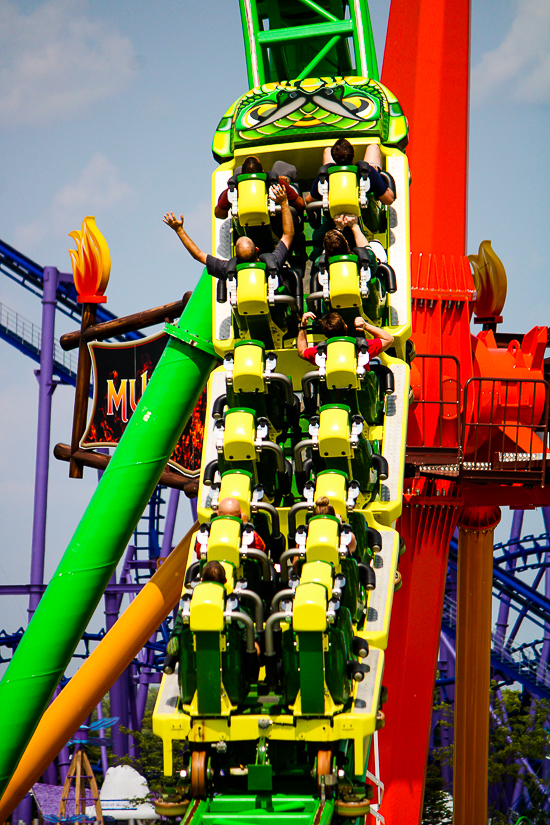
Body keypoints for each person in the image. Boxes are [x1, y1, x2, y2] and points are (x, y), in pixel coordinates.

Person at [163, 181, 294, 279]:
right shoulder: (273, 262)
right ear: (257, 250)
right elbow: (288, 234)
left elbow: (198, 255)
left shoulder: (228, 270)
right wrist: (284, 203)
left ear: (235, 256)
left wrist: (179, 230)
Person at [163, 560, 227, 673]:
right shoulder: (229, 604)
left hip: (194, 658)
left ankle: (170, 662)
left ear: (201, 580)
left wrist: (175, 638)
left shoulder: (190, 606)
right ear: (225, 581)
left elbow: (178, 628)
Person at [305, 138, 394, 207]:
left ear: (334, 158)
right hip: (366, 218)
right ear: (353, 154)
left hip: (335, 217)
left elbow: (309, 200)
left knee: (327, 150)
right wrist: (376, 173)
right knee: (373, 148)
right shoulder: (369, 172)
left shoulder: (325, 176)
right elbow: (389, 200)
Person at [214, 155, 305, 220]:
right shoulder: (277, 183)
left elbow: (218, 214)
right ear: (262, 172)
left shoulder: (233, 189)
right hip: (279, 226)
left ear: (241, 175)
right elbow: (301, 204)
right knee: (279, 165)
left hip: (247, 230)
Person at [297, 311, 394, 366]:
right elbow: (388, 339)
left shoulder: (320, 352)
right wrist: (366, 325)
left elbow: (302, 352)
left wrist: (303, 326)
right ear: (346, 327)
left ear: (325, 334)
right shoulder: (362, 346)